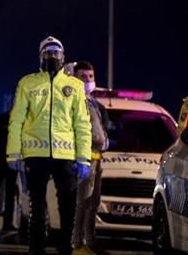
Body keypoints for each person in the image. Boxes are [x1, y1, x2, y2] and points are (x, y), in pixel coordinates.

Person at [6, 36, 91, 255]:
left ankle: (65, 249)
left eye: (56, 53)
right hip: (36, 155)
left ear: (63, 57)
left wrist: (83, 157)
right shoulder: (27, 83)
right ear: (40, 56)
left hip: (66, 156)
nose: (52, 56)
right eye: (48, 53)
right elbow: (16, 120)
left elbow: (82, 123)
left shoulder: (74, 86)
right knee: (37, 207)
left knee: (68, 207)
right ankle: (36, 249)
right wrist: (13, 153)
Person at [71, 61, 109, 254]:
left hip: (97, 159)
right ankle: (77, 243)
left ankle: (90, 240)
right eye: (83, 77)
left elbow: (101, 128)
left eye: (90, 77)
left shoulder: (94, 102)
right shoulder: (72, 101)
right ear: (74, 78)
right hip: (84, 158)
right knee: (83, 202)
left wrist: (106, 141)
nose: (87, 80)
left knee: (93, 203)